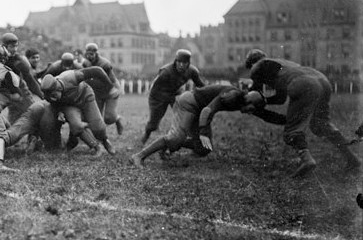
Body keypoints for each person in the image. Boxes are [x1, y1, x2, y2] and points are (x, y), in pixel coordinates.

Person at [245, 49, 361, 177]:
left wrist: (250, 104)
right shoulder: (282, 63)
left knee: (292, 130)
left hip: (303, 83)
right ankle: (351, 157)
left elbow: (253, 97)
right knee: (321, 124)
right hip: (322, 80)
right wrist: (266, 100)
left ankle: (307, 160)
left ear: (251, 63)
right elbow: (280, 98)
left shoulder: (258, 66)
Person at [129, 85, 285, 169]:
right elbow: (206, 111)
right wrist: (203, 131)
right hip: (189, 104)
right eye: (252, 109)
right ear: (249, 102)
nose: (251, 113)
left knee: (204, 148)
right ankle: (139, 156)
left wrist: (288, 121)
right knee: (177, 137)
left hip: (200, 108)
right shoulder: (232, 96)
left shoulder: (244, 100)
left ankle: (168, 145)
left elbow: (266, 115)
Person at [40, 67, 119, 156]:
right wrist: (59, 112)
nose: (53, 98)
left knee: (97, 126)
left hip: (85, 96)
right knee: (76, 125)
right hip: (70, 104)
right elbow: (54, 103)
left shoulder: (71, 77)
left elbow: (97, 70)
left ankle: (105, 141)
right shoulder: (48, 95)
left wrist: (110, 87)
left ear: (58, 88)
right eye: (50, 96)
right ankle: (96, 147)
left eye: (54, 95)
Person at [141, 49, 205, 145]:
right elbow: (154, 89)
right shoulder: (166, 72)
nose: (181, 65)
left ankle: (178, 140)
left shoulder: (192, 71)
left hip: (175, 92)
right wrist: (168, 98)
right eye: (179, 62)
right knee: (154, 123)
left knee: (183, 116)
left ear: (188, 63)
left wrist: (209, 93)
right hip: (158, 96)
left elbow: (201, 86)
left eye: (184, 62)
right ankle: (146, 134)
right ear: (175, 61)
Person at [0, 33, 44, 125]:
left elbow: (30, 81)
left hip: (20, 91)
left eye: (16, 46)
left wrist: (42, 95)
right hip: (2, 91)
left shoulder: (20, 61)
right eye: (11, 46)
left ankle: (33, 137)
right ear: (4, 46)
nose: (14, 49)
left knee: (33, 113)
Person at [82, 43, 124, 135]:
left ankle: (117, 119)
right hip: (97, 92)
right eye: (87, 54)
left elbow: (111, 80)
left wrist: (114, 89)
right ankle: (101, 136)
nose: (89, 56)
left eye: (91, 54)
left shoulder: (105, 64)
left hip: (110, 90)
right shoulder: (85, 63)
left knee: (109, 118)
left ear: (96, 53)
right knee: (97, 118)